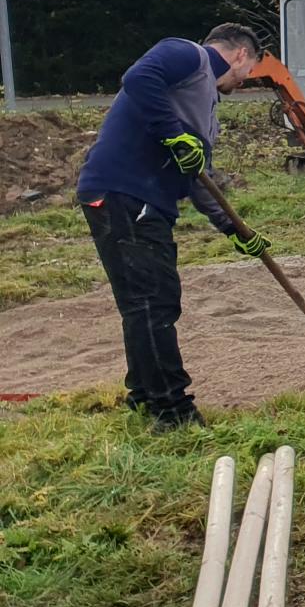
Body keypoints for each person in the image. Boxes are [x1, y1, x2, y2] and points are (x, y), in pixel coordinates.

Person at [74, 24, 269, 428]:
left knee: (145, 302)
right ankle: (172, 410)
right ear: (240, 55)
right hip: (125, 192)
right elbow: (137, 78)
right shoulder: (188, 56)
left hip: (140, 199)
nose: (247, 78)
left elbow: (200, 179)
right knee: (153, 300)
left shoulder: (203, 107)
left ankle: (145, 397)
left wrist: (235, 231)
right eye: (249, 68)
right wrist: (175, 135)